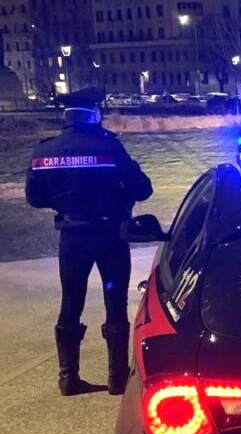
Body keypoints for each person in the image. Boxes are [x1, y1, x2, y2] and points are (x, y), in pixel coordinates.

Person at [25, 89, 153, 396]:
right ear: (94, 114)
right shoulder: (108, 147)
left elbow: (35, 198)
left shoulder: (45, 150)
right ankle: (117, 377)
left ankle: (68, 377)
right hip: (109, 235)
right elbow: (142, 189)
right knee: (115, 301)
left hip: (71, 237)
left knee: (71, 302)